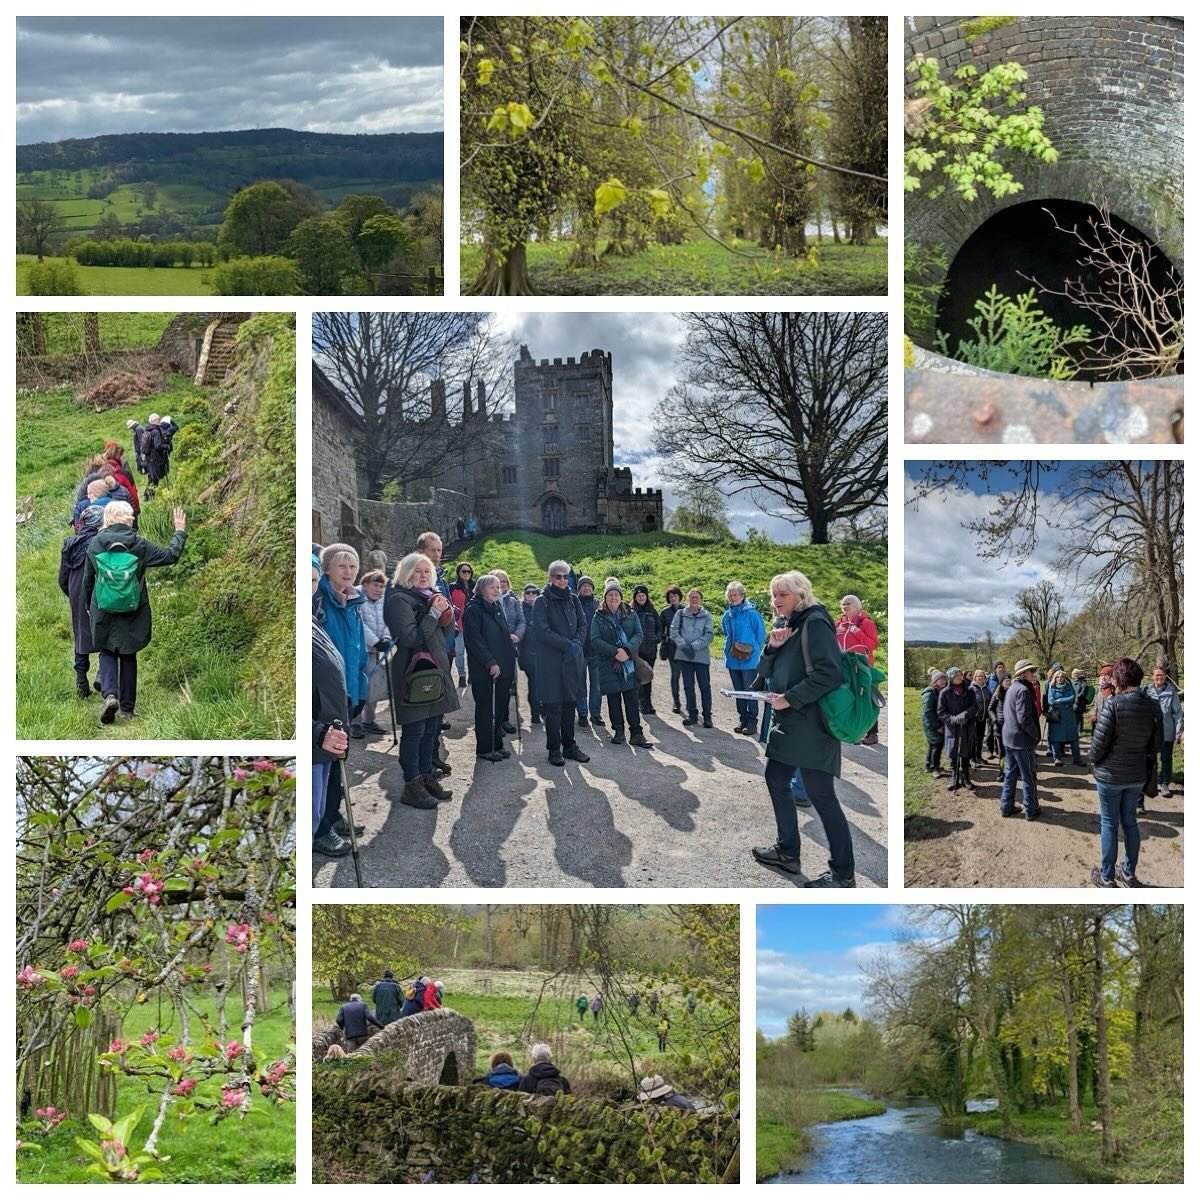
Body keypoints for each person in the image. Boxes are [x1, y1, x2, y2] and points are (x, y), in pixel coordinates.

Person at [750, 572, 855, 887]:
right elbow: (765, 671)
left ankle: (843, 875)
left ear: (800, 594)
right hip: (791, 723)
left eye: (782, 594)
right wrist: (772, 646)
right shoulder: (788, 626)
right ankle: (787, 852)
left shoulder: (815, 624)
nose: (776, 600)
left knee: (821, 796)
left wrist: (791, 699)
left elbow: (829, 674)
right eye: (773, 595)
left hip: (812, 726)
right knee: (776, 778)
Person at [82, 501, 186, 725]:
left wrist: (89, 606)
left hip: (103, 608)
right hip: (133, 608)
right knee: (128, 654)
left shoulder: (95, 544)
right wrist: (179, 531)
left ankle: (110, 695)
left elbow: (88, 579)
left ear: (106, 519)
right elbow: (171, 556)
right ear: (129, 519)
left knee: (107, 651)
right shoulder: (139, 544)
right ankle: (127, 709)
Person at [385, 552, 459, 809]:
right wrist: (432, 615)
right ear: (406, 574)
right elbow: (411, 638)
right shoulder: (398, 600)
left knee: (431, 729)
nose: (423, 575)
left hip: (435, 670)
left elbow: (448, 633)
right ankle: (412, 784)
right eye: (417, 571)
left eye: (427, 571)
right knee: (414, 731)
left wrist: (446, 615)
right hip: (413, 673)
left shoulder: (431, 597)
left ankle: (427, 777)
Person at [1089, 657, 1161, 888]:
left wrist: (1093, 764)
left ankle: (1107, 876)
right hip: (1136, 775)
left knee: (1109, 823)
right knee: (1130, 822)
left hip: (1110, 776)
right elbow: (1156, 744)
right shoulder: (1152, 705)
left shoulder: (1113, 704)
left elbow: (1098, 746)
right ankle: (1128, 872)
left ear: (1118, 679)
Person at [531, 560, 590, 767]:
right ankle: (554, 749)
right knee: (554, 706)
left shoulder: (574, 600)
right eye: (558, 576)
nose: (562, 580)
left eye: (565, 576)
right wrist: (566, 645)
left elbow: (583, 625)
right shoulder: (542, 601)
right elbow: (542, 630)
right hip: (551, 662)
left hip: (573, 661)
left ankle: (570, 745)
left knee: (570, 704)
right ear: (550, 578)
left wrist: (576, 644)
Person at [312, 555, 351, 858]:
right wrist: (317, 731)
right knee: (315, 787)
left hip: (331, 717)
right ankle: (320, 828)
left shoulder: (314, 616)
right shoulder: (318, 611)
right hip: (319, 725)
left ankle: (328, 820)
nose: (309, 587)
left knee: (328, 778)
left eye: (312, 581)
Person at [589, 582, 654, 748]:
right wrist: (615, 651)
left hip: (629, 662)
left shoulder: (631, 614)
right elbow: (595, 640)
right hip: (609, 663)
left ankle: (636, 733)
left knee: (632, 698)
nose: (613, 597)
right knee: (613, 698)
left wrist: (626, 650)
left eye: (616, 594)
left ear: (621, 597)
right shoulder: (598, 617)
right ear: (605, 598)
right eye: (610, 595)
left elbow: (638, 634)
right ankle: (618, 731)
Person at [462, 573, 518, 762]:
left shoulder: (495, 607)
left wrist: (511, 653)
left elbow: (503, 633)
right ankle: (485, 748)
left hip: (503, 665)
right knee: (485, 708)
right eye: (493, 587)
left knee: (501, 707)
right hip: (483, 667)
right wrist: (490, 662)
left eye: (499, 587)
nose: (497, 590)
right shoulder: (473, 609)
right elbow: (474, 641)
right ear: (482, 589)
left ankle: (497, 744)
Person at [315, 544, 369, 738]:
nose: (348, 572)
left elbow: (359, 652)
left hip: (347, 691)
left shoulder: (353, 603)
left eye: (353, 566)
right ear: (327, 568)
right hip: (323, 694)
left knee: (340, 750)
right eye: (342, 566)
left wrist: (360, 692)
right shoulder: (317, 600)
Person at [59, 504, 104, 698]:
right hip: (101, 591)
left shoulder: (70, 544)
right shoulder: (101, 542)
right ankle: (103, 675)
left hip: (77, 592)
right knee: (104, 632)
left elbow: (63, 579)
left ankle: (81, 682)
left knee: (80, 637)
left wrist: (73, 595)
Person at [723, 581, 767, 736]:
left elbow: (761, 636)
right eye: (730, 595)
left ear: (742, 595)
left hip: (749, 660)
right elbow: (726, 634)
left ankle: (752, 723)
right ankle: (742, 720)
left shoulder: (752, 614)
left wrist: (753, 653)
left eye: (736, 594)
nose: (733, 597)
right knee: (738, 691)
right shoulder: (727, 615)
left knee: (749, 692)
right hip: (733, 659)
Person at [999, 659, 1042, 820]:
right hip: (1021, 741)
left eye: (1033, 670)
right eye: (1031, 671)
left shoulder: (1013, 687)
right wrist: (1036, 734)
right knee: (1029, 776)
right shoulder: (1023, 690)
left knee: (1010, 774)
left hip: (1010, 738)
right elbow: (1024, 719)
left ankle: (1006, 806)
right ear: (1023, 673)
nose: (1033, 673)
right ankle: (1031, 809)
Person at [835, 595, 880, 745]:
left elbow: (873, 645)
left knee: (866, 698)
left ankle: (872, 733)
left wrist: (856, 631)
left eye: (847, 603)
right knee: (848, 698)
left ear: (857, 606)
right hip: (844, 667)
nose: (844, 606)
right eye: (842, 604)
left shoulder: (866, 623)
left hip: (862, 667)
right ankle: (852, 730)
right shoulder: (839, 624)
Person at [671, 589, 714, 728]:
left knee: (704, 687)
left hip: (701, 656)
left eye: (696, 597)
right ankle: (692, 715)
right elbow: (673, 631)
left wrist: (694, 646)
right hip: (684, 656)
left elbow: (709, 634)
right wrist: (684, 646)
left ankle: (707, 716)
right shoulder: (680, 614)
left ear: (701, 599)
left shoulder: (706, 615)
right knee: (688, 686)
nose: (694, 599)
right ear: (687, 599)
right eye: (691, 597)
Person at [356, 568, 390, 736]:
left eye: (381, 586)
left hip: (376, 651)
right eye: (375, 585)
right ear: (365, 584)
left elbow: (387, 621)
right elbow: (359, 624)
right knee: (358, 687)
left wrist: (385, 638)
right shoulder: (357, 599)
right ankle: (354, 722)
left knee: (373, 688)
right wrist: (375, 641)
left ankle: (368, 721)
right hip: (360, 650)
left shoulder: (384, 601)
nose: (379, 589)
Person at [1143, 666, 1183, 800]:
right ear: (1152, 676)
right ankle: (1151, 784)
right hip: (1150, 732)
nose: (1159, 677)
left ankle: (1164, 783)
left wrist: (1179, 733)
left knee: (1166, 759)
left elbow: (1178, 714)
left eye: (1162, 675)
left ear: (1166, 676)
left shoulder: (1172, 692)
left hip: (1167, 731)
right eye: (1157, 675)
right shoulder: (1146, 691)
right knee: (1150, 759)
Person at [493, 569, 526, 734]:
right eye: (497, 582)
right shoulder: (488, 601)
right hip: (493, 651)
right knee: (493, 688)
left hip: (509, 650)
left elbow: (521, 621)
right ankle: (494, 720)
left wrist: (517, 635)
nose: (501, 585)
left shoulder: (513, 601)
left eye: (504, 581)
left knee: (506, 687)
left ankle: (504, 719)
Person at [937, 667, 977, 792]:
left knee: (966, 752)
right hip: (953, 728)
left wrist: (965, 714)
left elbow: (975, 707)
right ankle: (954, 777)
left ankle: (966, 777)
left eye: (960, 674)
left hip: (967, 727)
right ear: (950, 677)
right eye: (956, 675)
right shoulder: (945, 692)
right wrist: (953, 719)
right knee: (954, 753)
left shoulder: (969, 691)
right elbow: (941, 712)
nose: (959, 677)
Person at [574, 576, 603, 727]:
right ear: (579, 588)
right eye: (583, 586)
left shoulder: (598, 604)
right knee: (580, 685)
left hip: (596, 651)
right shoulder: (573, 603)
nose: (586, 588)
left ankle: (596, 714)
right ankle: (583, 714)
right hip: (579, 651)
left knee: (596, 685)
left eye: (589, 586)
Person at [630, 585, 660, 714]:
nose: (641, 597)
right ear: (635, 598)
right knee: (639, 677)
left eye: (643, 595)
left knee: (648, 677)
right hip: (638, 651)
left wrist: (657, 638)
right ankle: (641, 703)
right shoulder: (631, 611)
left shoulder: (652, 611)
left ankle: (648, 702)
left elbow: (659, 628)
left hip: (651, 650)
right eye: (638, 596)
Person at [1046, 668, 1082, 766]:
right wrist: (1064, 703)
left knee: (1073, 738)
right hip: (1056, 716)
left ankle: (1077, 759)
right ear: (1054, 678)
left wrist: (1059, 701)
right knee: (1055, 738)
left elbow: (1072, 699)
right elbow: (1051, 701)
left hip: (1069, 716)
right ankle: (1057, 759)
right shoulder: (1051, 687)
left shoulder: (1069, 687)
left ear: (1064, 678)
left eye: (1062, 676)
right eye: (1057, 677)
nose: (1060, 678)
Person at [449, 562, 476, 687]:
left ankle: (472, 674)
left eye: (468, 571)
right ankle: (461, 675)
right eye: (463, 571)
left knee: (473, 651)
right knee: (459, 651)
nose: (466, 573)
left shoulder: (476, 587)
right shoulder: (453, 587)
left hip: (473, 624)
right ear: (458, 573)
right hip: (459, 623)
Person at [659, 586, 685, 714]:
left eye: (675, 595)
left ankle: (692, 704)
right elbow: (660, 629)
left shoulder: (686, 610)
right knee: (675, 675)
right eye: (671, 596)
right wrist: (665, 639)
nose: (673, 598)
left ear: (679, 596)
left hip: (685, 648)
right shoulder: (664, 612)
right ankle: (677, 702)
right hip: (672, 648)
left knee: (688, 676)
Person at [519, 583, 541, 725]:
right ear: (524, 595)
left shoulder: (543, 609)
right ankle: (535, 713)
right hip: (527, 652)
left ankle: (543, 708)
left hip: (543, 653)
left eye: (534, 592)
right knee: (534, 683)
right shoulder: (521, 610)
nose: (531, 595)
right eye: (528, 593)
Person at [921, 670, 947, 776]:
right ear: (935, 680)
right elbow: (928, 712)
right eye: (941, 679)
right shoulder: (930, 694)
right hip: (932, 724)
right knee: (937, 744)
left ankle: (928, 765)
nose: (944, 681)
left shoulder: (938, 691)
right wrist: (938, 726)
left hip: (936, 723)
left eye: (945, 679)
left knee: (932, 745)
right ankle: (935, 768)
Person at [987, 673, 1011, 772]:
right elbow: (990, 709)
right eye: (1006, 681)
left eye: (1010, 681)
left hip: (1011, 726)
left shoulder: (1013, 693)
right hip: (999, 726)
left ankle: (1012, 770)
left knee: (1011, 750)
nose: (1008, 683)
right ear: (1001, 683)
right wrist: (995, 720)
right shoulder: (996, 694)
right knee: (1002, 752)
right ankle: (1002, 771)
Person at [969, 669, 990, 765]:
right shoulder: (971, 688)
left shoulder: (986, 688)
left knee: (980, 738)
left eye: (982, 676)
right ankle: (973, 758)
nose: (981, 678)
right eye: (979, 676)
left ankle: (978, 756)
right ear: (975, 677)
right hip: (974, 718)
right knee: (974, 739)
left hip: (983, 717)